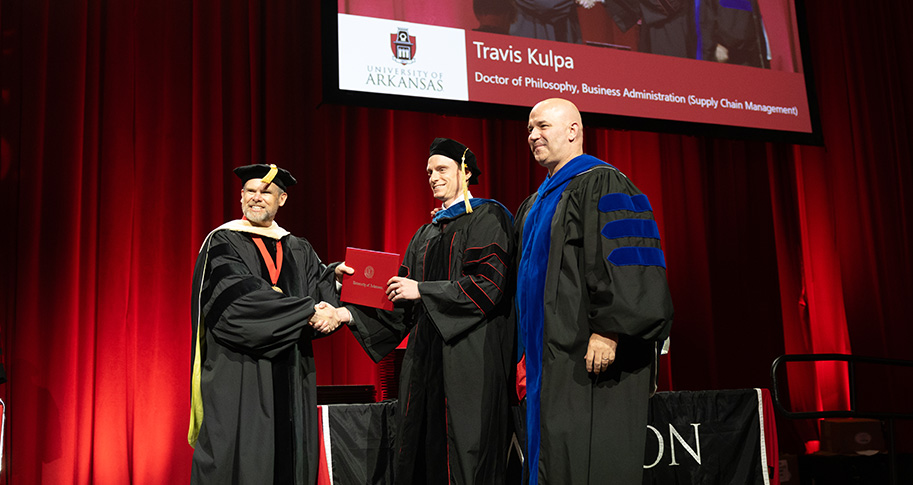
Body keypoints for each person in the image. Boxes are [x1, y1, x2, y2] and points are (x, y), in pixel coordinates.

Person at [317, 138, 516, 484]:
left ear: (465, 172)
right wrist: (344, 314)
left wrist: (422, 291)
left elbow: (488, 286)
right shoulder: (425, 234)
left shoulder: (489, 217)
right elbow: (401, 305)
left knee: (468, 451)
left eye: (442, 169)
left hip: (472, 360)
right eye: (429, 172)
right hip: (425, 362)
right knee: (420, 449)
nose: (433, 177)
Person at [515, 98, 673, 484]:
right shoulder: (536, 202)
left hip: (589, 350)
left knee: (589, 457)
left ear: (573, 131)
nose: (533, 135)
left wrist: (610, 329)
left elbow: (625, 261)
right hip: (548, 356)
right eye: (530, 130)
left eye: (542, 126)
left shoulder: (602, 182)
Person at [187, 163, 341, 484]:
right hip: (240, 372)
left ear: (281, 199)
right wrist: (306, 311)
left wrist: (339, 284)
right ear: (241, 196)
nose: (257, 198)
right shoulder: (223, 243)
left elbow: (320, 290)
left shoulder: (298, 248)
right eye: (250, 191)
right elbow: (238, 302)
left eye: (266, 192)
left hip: (291, 371)